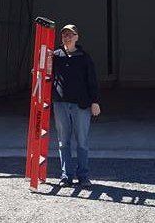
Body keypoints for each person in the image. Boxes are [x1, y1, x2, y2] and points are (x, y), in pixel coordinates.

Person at [52, 24, 101, 188]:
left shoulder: (84, 57)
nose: (67, 37)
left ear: (77, 37)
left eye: (70, 35)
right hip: (61, 103)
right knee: (63, 141)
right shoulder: (55, 55)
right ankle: (66, 175)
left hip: (81, 104)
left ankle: (83, 176)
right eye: (65, 35)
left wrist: (95, 102)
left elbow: (92, 80)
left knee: (82, 141)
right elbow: (45, 73)